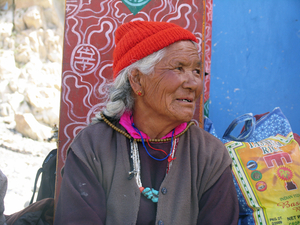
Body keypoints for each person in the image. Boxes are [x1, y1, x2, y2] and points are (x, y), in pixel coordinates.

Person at [54, 21, 239, 225]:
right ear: (137, 80)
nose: (194, 83)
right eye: (179, 68)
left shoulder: (209, 154)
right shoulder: (93, 147)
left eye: (197, 71)